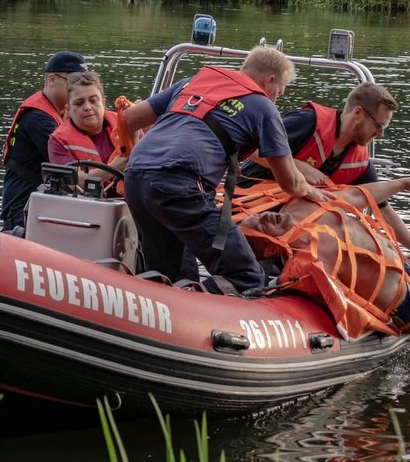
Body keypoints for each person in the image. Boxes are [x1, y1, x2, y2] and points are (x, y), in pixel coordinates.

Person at [119, 46, 332, 294]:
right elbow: (290, 183)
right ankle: (202, 308)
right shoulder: (263, 106)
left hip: (136, 177)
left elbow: (129, 118)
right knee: (247, 276)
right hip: (179, 183)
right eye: (279, 93)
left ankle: (174, 305)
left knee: (171, 275)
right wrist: (312, 191)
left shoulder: (193, 82)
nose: (276, 99)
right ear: (270, 81)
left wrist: (132, 156)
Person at [238, 82, 410, 284]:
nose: (380, 134)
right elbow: (249, 145)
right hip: (250, 208)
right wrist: (297, 166)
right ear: (358, 113)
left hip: (292, 225)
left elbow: (382, 209)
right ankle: (252, 281)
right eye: (379, 126)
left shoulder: (360, 163)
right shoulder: (307, 122)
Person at [239, 183, 410, 364]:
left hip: (402, 266)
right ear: (270, 249)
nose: (265, 217)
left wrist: (404, 184)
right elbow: (295, 288)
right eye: (261, 226)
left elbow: (358, 195)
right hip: (401, 298)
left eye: (258, 216)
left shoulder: (301, 203)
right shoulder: (306, 263)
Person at [0, 50, 87, 231]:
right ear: (51, 80)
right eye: (73, 81)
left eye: (83, 82)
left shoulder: (56, 111)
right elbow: (70, 169)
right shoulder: (39, 119)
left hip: (36, 200)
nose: (79, 88)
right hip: (23, 206)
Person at [47, 70, 131, 193]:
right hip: (85, 203)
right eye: (79, 103)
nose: (87, 107)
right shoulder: (58, 141)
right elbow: (67, 180)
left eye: (93, 100)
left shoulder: (128, 123)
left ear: (103, 102)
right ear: (68, 110)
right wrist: (113, 168)